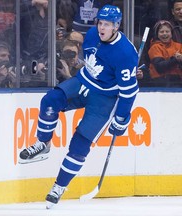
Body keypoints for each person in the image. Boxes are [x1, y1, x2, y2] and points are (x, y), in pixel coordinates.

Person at [19, 5, 139, 209]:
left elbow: (129, 92)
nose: (101, 28)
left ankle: (59, 186)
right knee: (50, 101)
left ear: (116, 26)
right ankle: (43, 144)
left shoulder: (126, 54)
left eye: (107, 24)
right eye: (100, 22)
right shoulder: (92, 34)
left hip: (105, 97)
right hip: (83, 82)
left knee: (80, 142)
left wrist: (121, 118)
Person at [148, 20, 182, 87]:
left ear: (171, 34)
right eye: (161, 32)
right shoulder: (155, 47)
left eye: (167, 31)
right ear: (157, 34)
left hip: (178, 82)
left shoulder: (179, 46)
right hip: (160, 83)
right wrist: (176, 59)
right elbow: (160, 67)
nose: (164, 34)